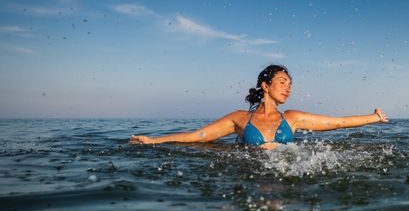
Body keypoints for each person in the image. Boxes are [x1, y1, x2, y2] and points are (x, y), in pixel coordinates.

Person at [130, 64, 389, 150]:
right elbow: (197, 136)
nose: (288, 88)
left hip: (285, 177)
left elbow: (337, 122)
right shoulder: (240, 119)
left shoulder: (293, 117)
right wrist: (154, 140)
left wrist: (374, 118)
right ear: (265, 85)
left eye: (290, 84)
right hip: (251, 177)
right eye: (282, 82)